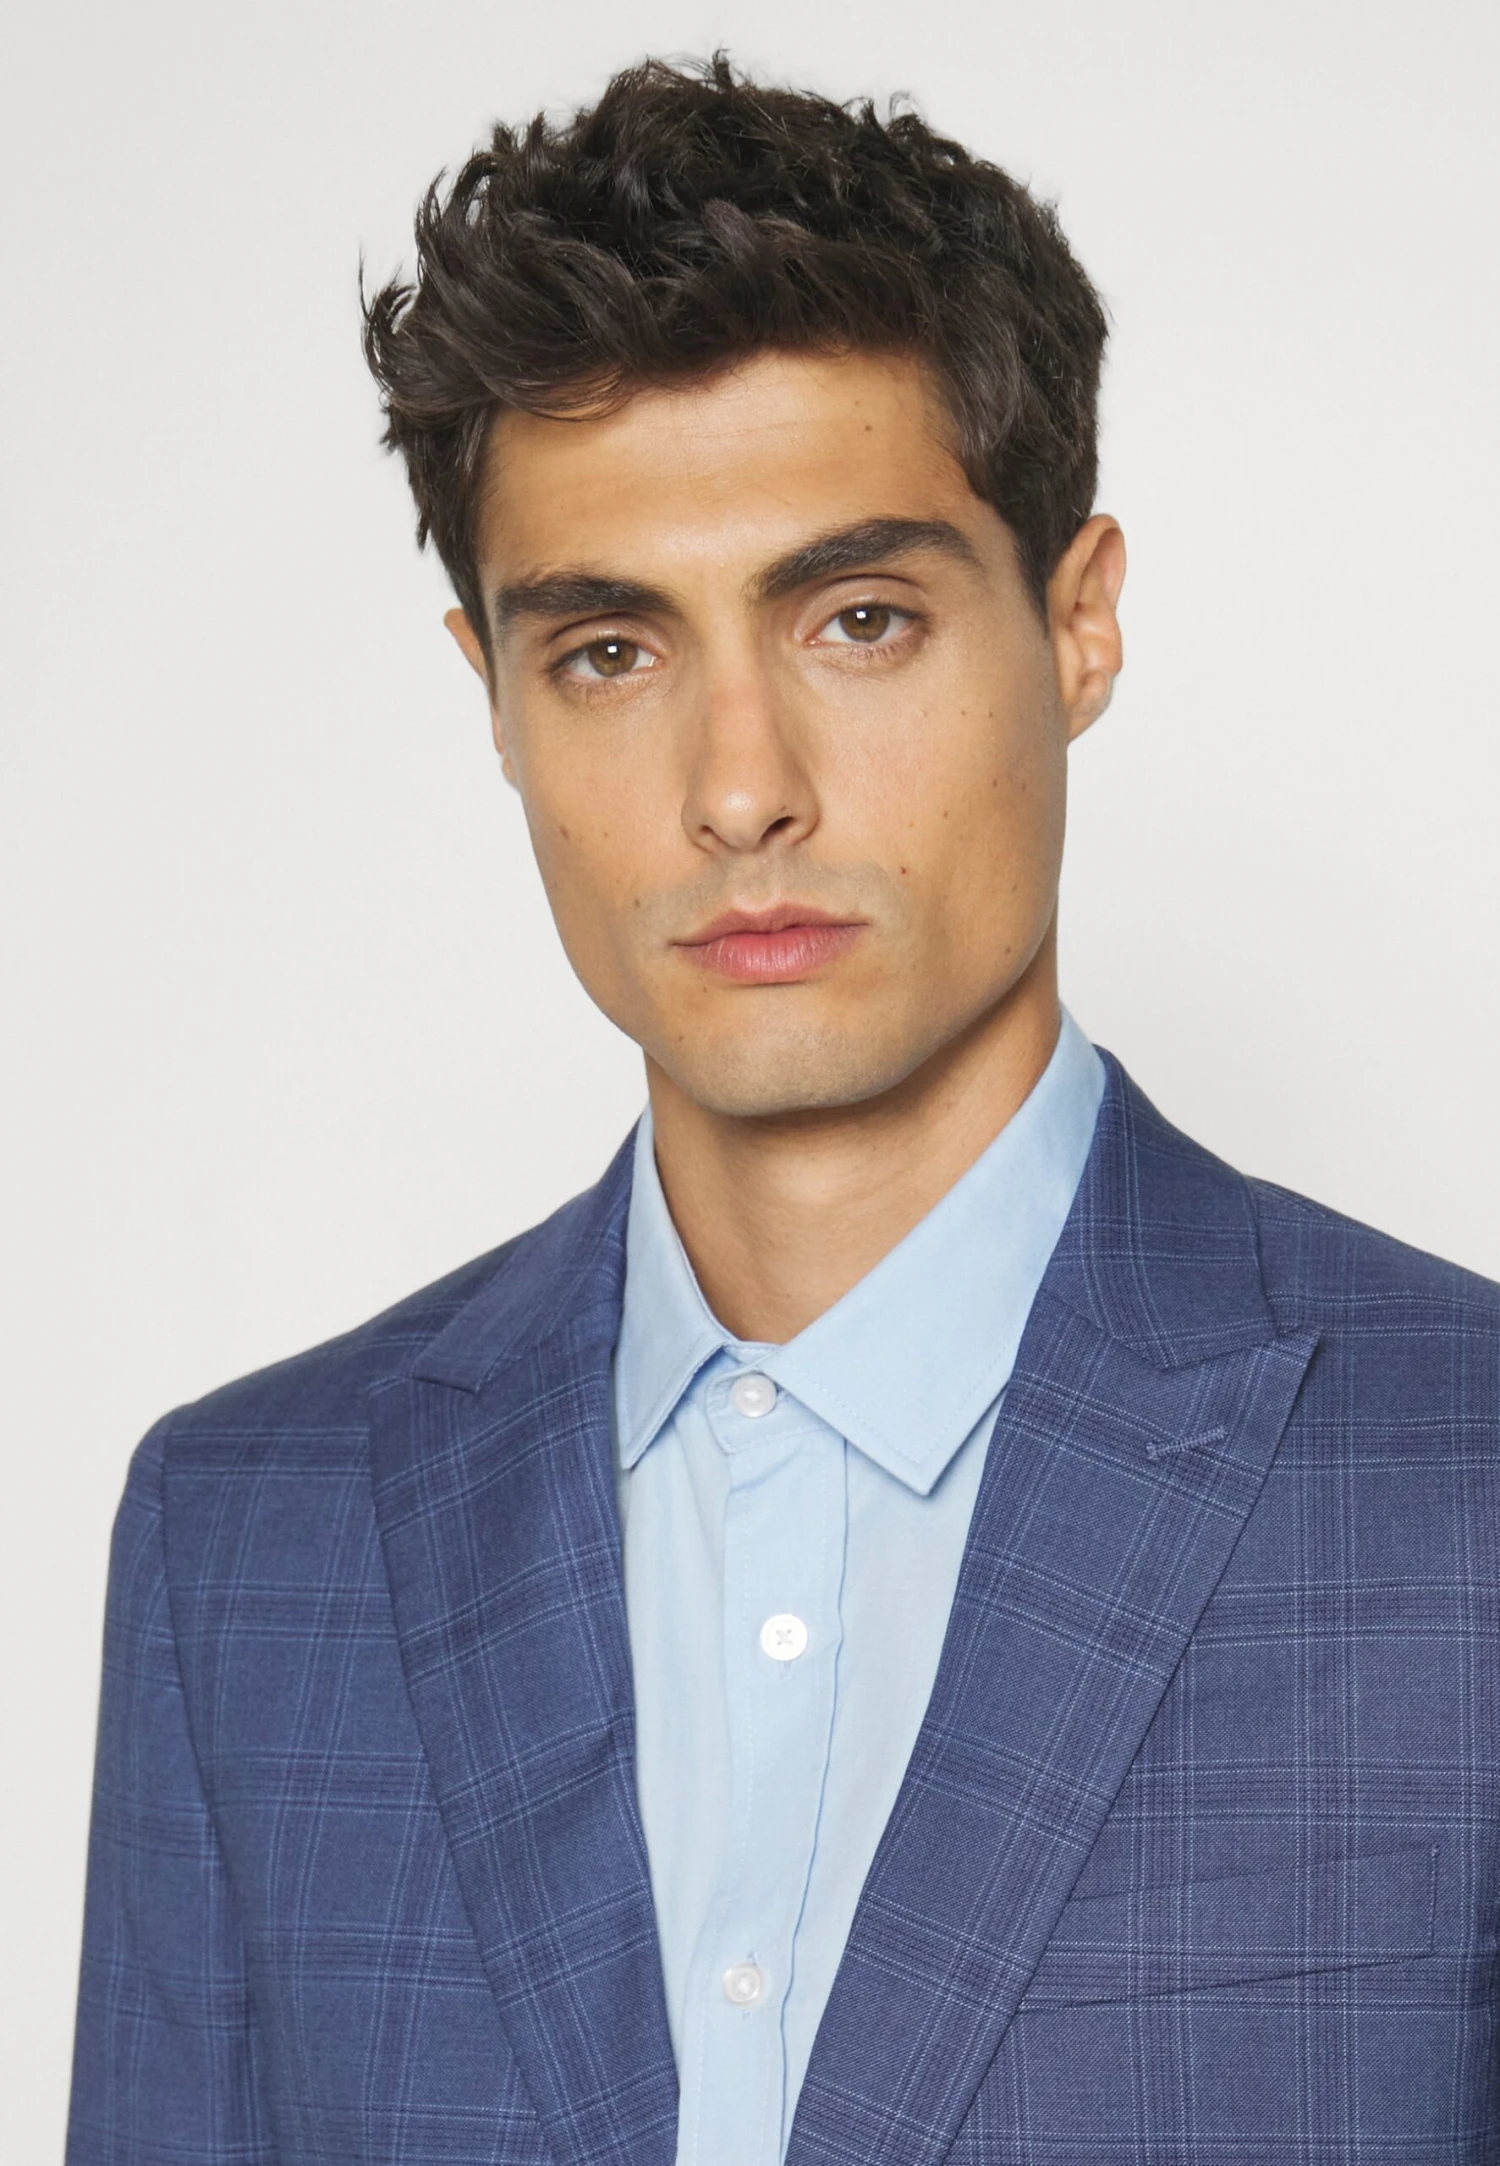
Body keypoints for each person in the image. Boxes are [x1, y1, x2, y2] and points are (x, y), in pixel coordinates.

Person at [66, 53, 1500, 2166]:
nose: (742, 788)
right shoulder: (249, 1542)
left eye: (859, 619)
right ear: (491, 696)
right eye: (610, 651)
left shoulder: (1464, 1484)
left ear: (1079, 621)